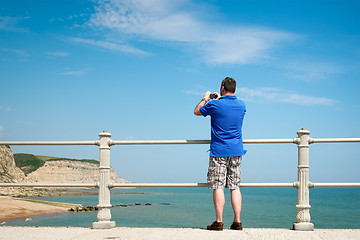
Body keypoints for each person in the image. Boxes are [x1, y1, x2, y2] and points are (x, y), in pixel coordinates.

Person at [194, 77, 246, 231]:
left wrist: (206, 98)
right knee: (235, 186)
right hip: (236, 150)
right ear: (234, 89)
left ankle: (219, 221)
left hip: (218, 151)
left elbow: (197, 111)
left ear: (222, 88)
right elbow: (229, 111)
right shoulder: (242, 105)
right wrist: (219, 99)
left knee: (218, 186)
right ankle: (237, 221)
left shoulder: (215, 104)